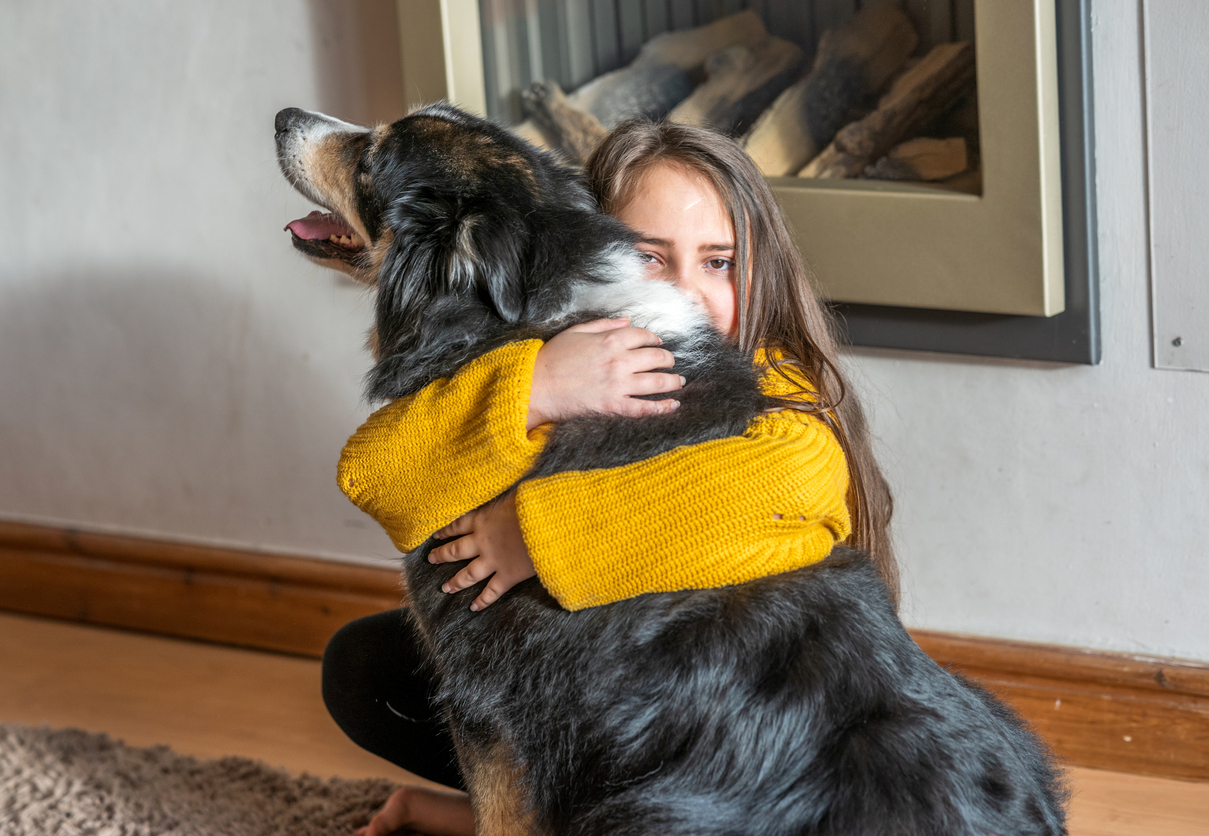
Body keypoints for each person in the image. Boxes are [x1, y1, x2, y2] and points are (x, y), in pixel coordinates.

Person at [322, 120, 896, 836]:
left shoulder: (780, 383)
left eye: (720, 262)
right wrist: (536, 386)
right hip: (594, 684)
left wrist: (533, 535)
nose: (688, 291)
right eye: (650, 257)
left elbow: (783, 481)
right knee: (368, 670)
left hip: (731, 715)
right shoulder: (555, 352)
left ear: (762, 270)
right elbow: (379, 472)